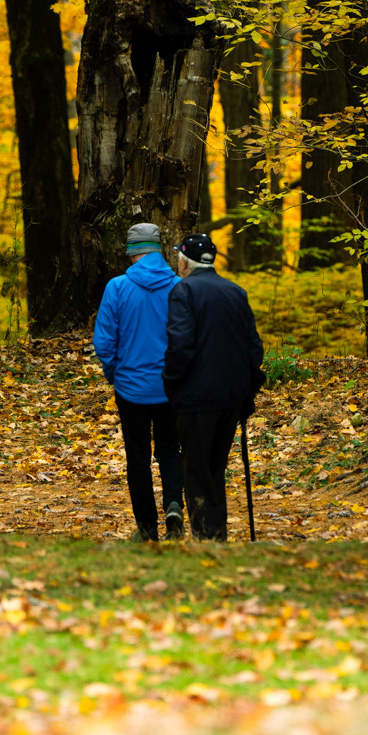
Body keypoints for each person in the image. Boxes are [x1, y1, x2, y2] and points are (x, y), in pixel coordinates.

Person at [162, 232, 266, 541]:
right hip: (230, 398)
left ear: (185, 261)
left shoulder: (184, 291)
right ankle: (216, 534)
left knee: (196, 470)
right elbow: (254, 348)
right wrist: (248, 390)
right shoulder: (235, 291)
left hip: (197, 398)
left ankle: (207, 538)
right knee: (215, 468)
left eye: (179, 257)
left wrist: (171, 384)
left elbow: (180, 345)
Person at [93, 222, 185, 541]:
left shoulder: (117, 287)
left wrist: (114, 373)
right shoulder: (178, 287)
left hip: (131, 389)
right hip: (170, 387)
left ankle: (147, 528)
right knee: (170, 451)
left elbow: (104, 342)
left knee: (138, 459)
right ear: (158, 249)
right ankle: (174, 505)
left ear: (131, 252)